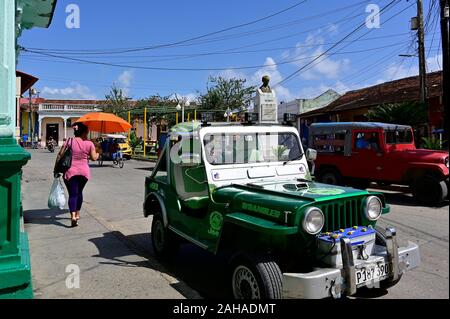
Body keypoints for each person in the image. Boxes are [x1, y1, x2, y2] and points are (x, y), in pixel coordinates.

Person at [54, 122, 99, 227]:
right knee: (79, 192)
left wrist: (56, 169)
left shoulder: (69, 141)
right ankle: (78, 214)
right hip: (84, 173)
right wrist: (98, 152)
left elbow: (60, 154)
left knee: (73, 194)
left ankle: (73, 216)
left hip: (70, 172)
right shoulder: (89, 144)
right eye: (87, 132)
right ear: (84, 132)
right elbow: (93, 158)